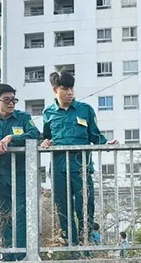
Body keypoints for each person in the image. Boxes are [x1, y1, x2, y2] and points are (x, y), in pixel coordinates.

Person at [41, 71, 106, 246]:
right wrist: (45, 142)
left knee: (85, 205)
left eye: (71, 88)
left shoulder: (85, 110)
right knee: (62, 207)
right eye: (65, 88)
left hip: (81, 167)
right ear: (55, 90)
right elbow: (45, 137)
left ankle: (86, 242)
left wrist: (107, 143)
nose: (69, 92)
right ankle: (71, 244)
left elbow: (95, 136)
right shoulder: (48, 113)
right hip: (58, 168)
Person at [0, 83, 41, 261]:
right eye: (6, 100)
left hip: (21, 173)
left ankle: (21, 253)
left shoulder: (23, 118)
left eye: (13, 99)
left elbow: (35, 134)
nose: (11, 103)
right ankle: (7, 253)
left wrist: (12, 138)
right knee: (3, 212)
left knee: (21, 212)